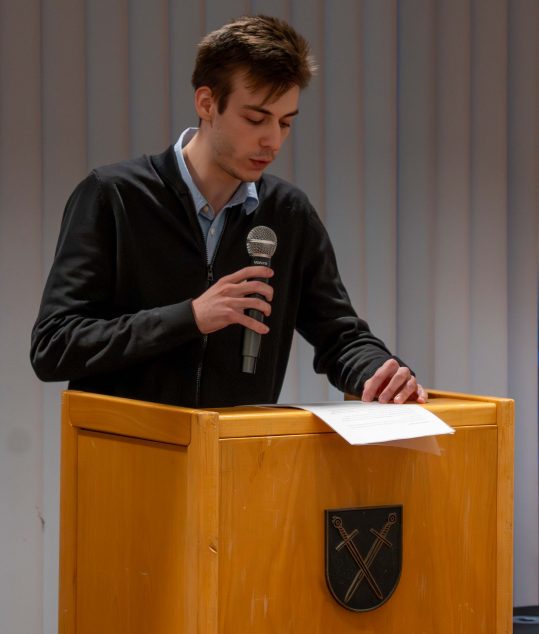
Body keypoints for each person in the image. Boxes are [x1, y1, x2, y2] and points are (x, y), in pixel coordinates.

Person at [30, 15, 427, 408]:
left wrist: (381, 373)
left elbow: (339, 336)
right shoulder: (113, 196)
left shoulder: (288, 213)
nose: (273, 141)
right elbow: (54, 345)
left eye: (285, 123)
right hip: (125, 446)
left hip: (233, 447)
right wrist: (190, 317)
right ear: (206, 103)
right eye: (255, 119)